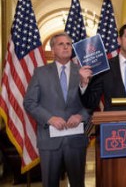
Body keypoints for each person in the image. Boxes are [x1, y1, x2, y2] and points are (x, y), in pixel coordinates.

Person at [23, 32, 91, 187]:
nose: (65, 47)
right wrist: (49, 118)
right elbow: (29, 102)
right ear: (53, 50)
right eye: (61, 44)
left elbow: (91, 103)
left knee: (78, 183)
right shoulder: (40, 73)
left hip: (76, 140)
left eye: (68, 44)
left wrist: (80, 116)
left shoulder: (84, 72)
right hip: (49, 139)